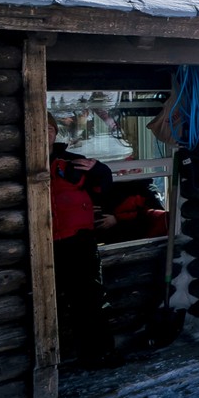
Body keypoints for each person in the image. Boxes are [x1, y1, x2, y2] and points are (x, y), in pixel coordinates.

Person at [49, 119, 117, 367]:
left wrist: (100, 169)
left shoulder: (70, 162)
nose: (45, 134)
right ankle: (56, 360)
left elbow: (103, 187)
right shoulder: (26, 162)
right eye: (40, 128)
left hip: (79, 240)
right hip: (46, 244)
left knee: (89, 298)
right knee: (51, 303)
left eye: (49, 129)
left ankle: (101, 353)